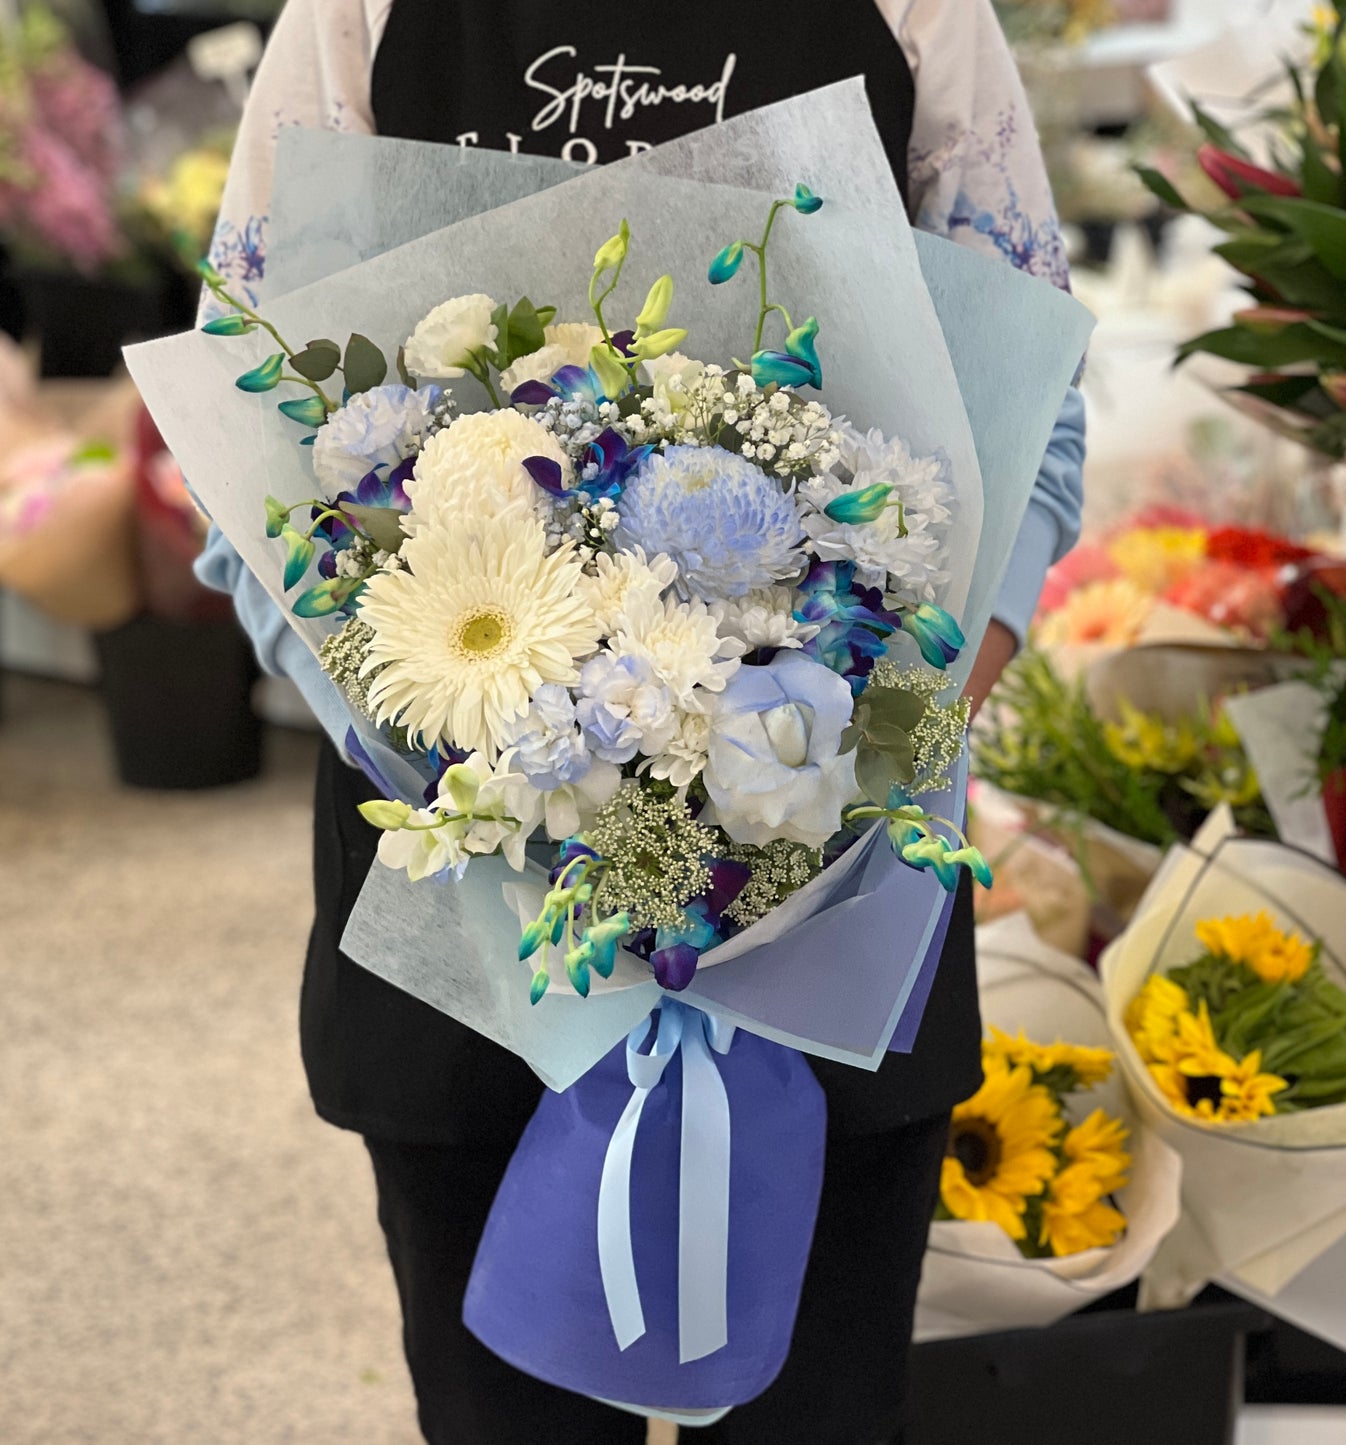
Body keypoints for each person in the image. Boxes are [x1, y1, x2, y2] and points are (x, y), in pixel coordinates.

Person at [196, 2, 1086, 1440]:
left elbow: (1030, 405)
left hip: (835, 888)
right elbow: (242, 428)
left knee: (823, 1405)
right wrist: (494, 773)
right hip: (467, 902)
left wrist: (825, 780)